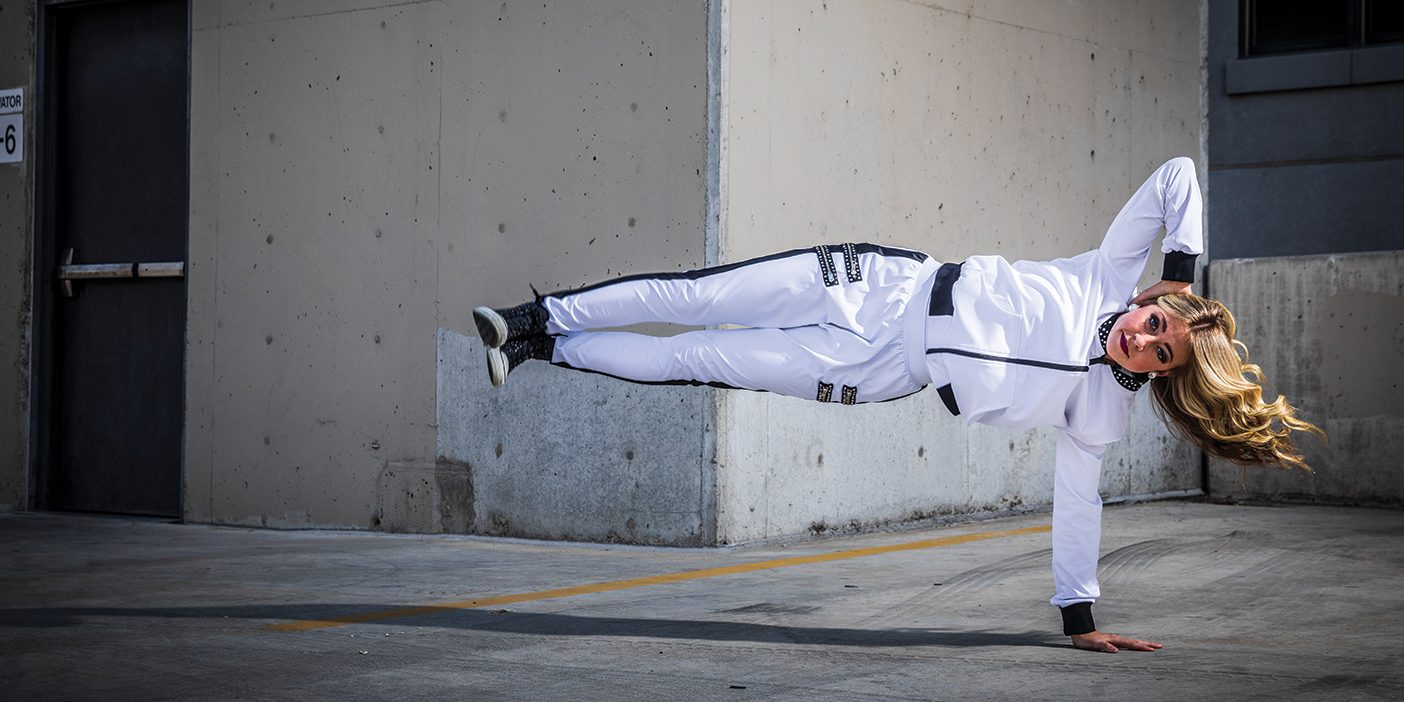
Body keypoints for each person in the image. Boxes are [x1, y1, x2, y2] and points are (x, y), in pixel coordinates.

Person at [472, 157, 1325, 653]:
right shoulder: (1105, 272)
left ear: (1165, 375)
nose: (1144, 339)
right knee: (698, 296)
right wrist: (1183, 269)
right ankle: (530, 316)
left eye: (1161, 353)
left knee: (700, 358)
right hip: (883, 284)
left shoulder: (1101, 409)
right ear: (1151, 302)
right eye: (1155, 323)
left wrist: (1079, 619)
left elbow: (1077, 505)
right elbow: (1178, 173)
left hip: (878, 368)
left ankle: (543, 350)